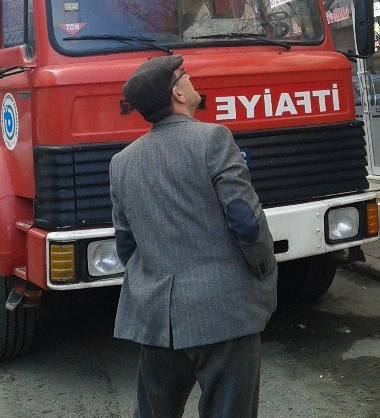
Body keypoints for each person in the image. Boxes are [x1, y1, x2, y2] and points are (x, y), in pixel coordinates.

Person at [110, 55, 277, 418]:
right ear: (178, 94)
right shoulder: (213, 139)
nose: (190, 78)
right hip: (224, 312)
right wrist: (262, 269)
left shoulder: (121, 162)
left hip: (156, 317)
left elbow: (126, 244)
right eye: (184, 75)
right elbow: (245, 221)